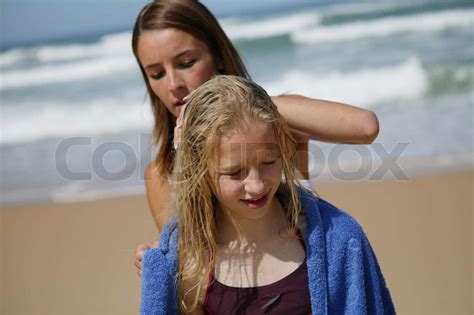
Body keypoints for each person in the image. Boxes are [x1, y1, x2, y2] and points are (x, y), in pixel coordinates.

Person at [132, 0, 380, 275]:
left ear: (219, 56)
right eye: (156, 74)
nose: (173, 84)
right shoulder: (162, 174)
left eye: (186, 63)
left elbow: (365, 127)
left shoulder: (277, 122)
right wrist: (158, 262)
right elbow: (193, 276)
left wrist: (247, 102)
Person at [140, 75, 395, 314]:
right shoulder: (190, 260)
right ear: (200, 171)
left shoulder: (338, 238)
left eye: (269, 162)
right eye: (235, 172)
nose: (257, 186)